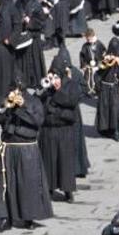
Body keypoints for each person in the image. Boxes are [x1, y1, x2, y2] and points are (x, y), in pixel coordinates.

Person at [0, 83, 54, 232]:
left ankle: (28, 217)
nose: (14, 92)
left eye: (16, 90)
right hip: (9, 147)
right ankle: (6, 217)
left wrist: (23, 106)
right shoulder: (7, 100)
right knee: (6, 184)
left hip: (26, 148)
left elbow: (38, 121)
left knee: (28, 184)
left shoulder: (34, 102)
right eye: (12, 89)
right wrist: (6, 107)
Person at [38, 52, 83, 202]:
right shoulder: (46, 88)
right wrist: (43, 89)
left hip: (64, 130)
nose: (55, 81)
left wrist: (57, 93)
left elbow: (71, 103)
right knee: (49, 160)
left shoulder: (71, 86)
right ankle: (49, 188)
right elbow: (37, 105)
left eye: (57, 77)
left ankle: (68, 190)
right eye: (52, 77)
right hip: (48, 130)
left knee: (65, 161)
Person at [93, 38, 119, 141]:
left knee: (115, 110)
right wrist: (104, 63)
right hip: (105, 87)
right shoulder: (104, 57)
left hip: (114, 88)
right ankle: (105, 129)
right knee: (105, 109)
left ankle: (116, 131)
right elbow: (97, 73)